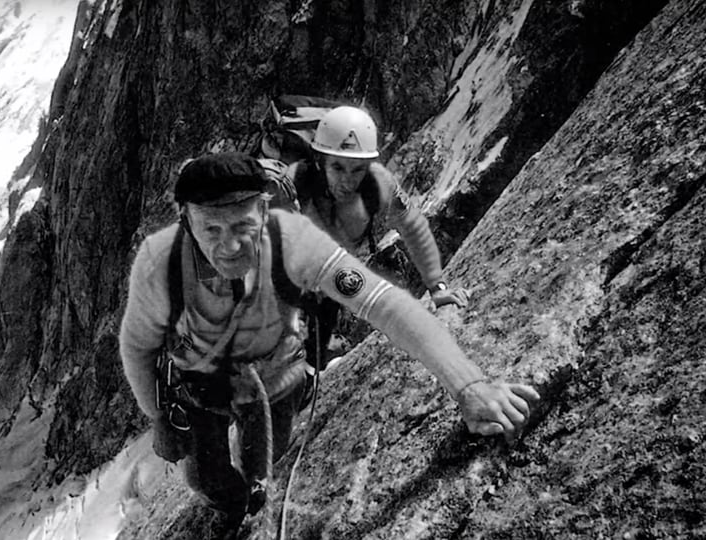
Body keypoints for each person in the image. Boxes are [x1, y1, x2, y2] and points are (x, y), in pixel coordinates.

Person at [119, 152, 539, 533]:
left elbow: (384, 303)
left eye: (242, 226)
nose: (228, 246)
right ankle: (230, 507)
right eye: (210, 228)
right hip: (201, 390)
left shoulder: (292, 240)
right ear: (185, 219)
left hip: (274, 380)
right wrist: (158, 415)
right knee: (204, 480)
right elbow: (137, 346)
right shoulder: (160, 262)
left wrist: (469, 386)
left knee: (263, 465)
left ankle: (245, 506)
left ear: (264, 211)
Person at [287, 105, 470, 308]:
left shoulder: (380, 183)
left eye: (357, 170)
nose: (347, 182)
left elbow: (414, 229)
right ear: (319, 162)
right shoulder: (294, 183)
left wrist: (438, 288)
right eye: (337, 168)